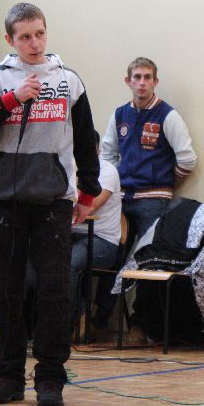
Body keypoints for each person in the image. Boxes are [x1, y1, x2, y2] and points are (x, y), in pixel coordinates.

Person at [0, 2, 101, 406]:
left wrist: (87, 194)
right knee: (6, 292)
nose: (34, 43)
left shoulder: (69, 81)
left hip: (53, 201)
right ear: (10, 39)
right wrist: (9, 100)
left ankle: (50, 379)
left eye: (39, 33)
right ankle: (7, 377)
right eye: (25, 37)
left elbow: (85, 141)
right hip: (6, 201)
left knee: (54, 291)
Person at [101, 56, 197, 340]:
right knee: (113, 257)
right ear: (128, 81)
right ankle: (100, 320)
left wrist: (164, 182)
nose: (141, 83)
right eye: (137, 77)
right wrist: (114, 182)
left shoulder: (167, 115)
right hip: (121, 200)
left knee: (147, 263)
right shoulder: (120, 115)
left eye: (147, 78)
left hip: (154, 200)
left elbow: (187, 160)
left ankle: (140, 326)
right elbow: (107, 154)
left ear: (155, 82)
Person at [69, 130, 122, 332]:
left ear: (98, 151)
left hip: (102, 240)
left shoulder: (107, 171)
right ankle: (77, 312)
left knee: (68, 264)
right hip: (71, 235)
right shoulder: (66, 168)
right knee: (38, 262)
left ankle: (70, 324)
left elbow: (90, 207)